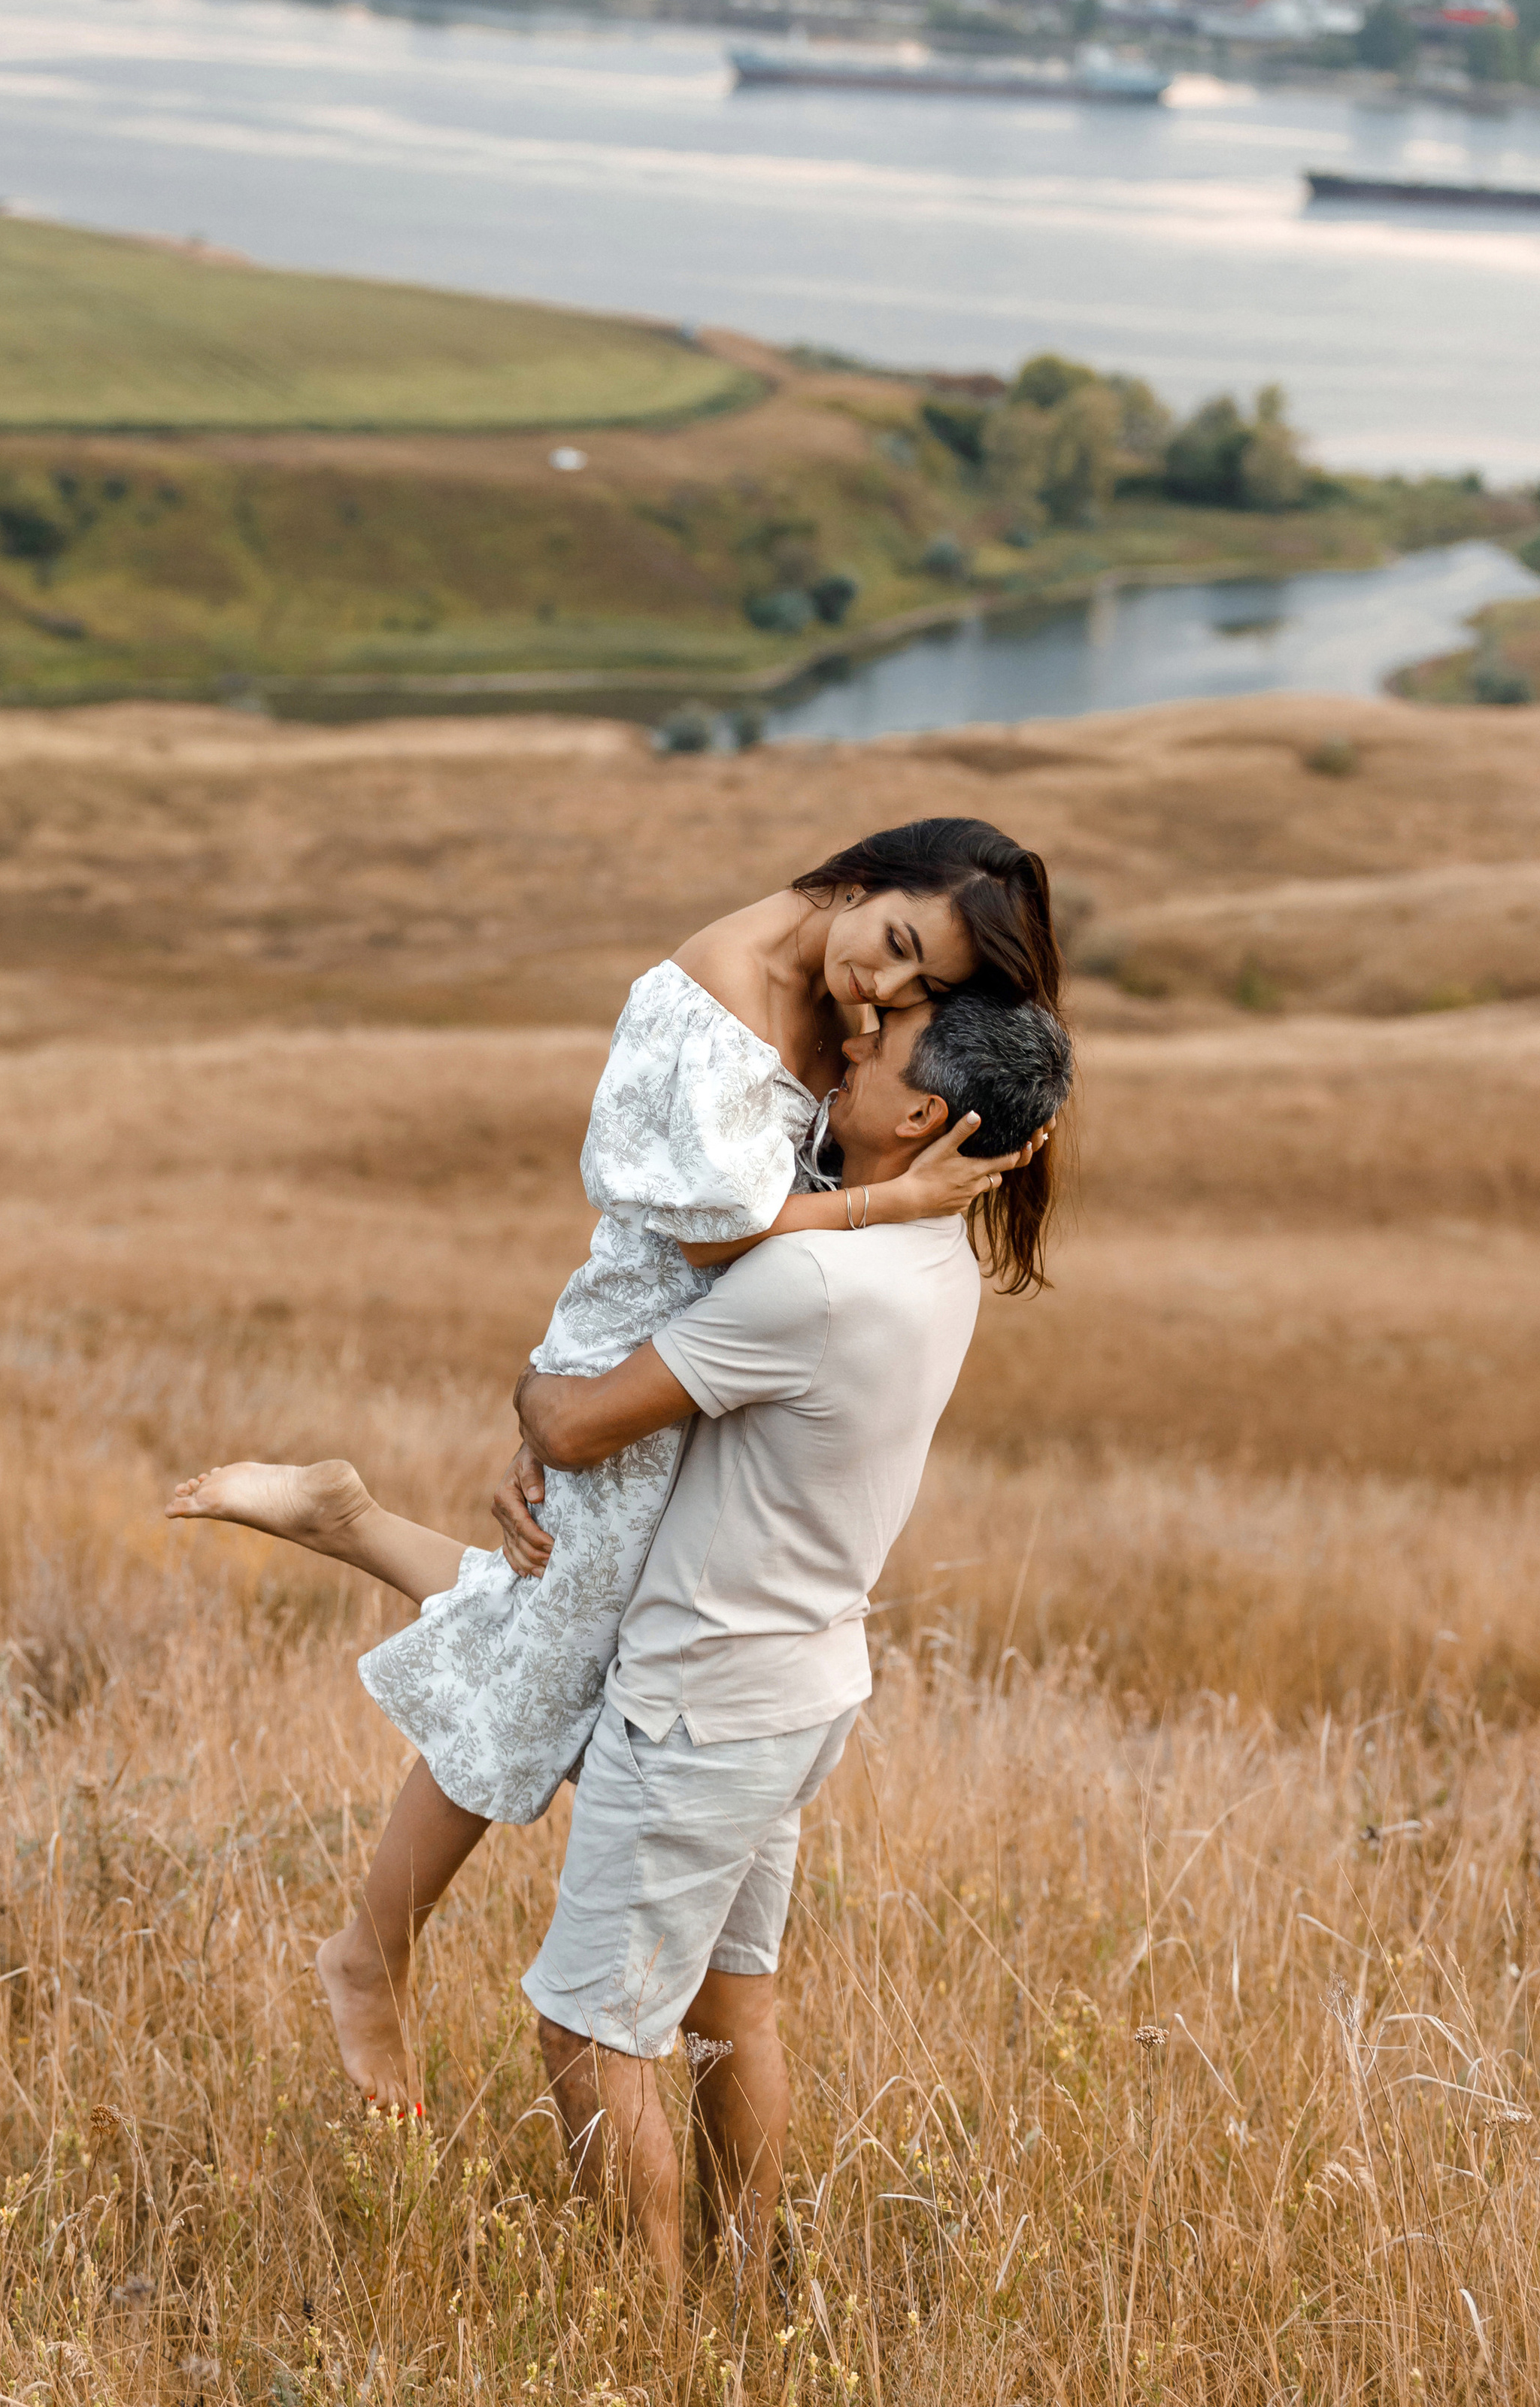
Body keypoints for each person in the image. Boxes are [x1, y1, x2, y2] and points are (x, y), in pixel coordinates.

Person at [165, 819, 1063, 2111]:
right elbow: (717, 1246)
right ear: (860, 885)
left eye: (920, 991)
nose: (884, 994)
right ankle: (368, 1957)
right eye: (894, 947)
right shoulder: (715, 991)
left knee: (573, 1646)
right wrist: (893, 1204)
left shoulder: (835, 998)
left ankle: (344, 1518)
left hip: (720, 1368)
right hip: (654, 1352)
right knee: (544, 1670)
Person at [507, 987, 1075, 2291]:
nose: (850, 1046)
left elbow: (578, 1427)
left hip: (701, 1704)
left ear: (925, 1115)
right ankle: (756, 2287)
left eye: (880, 1049)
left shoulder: (820, 1276)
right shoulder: (936, 1258)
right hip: (800, 1688)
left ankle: (650, 2354)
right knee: (728, 2006)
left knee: (590, 2037)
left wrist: (528, 1390)